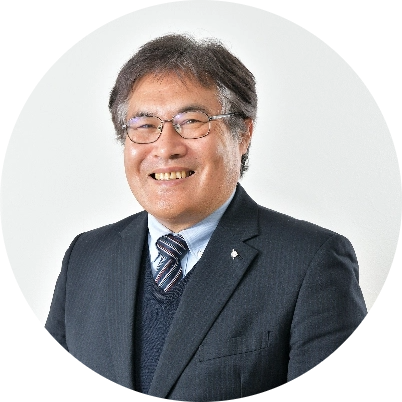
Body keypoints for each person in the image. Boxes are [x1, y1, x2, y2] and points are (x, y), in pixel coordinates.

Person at [45, 33, 367, 400]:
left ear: (243, 134)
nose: (166, 148)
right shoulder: (86, 257)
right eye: (144, 125)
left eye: (192, 121)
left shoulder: (311, 263)